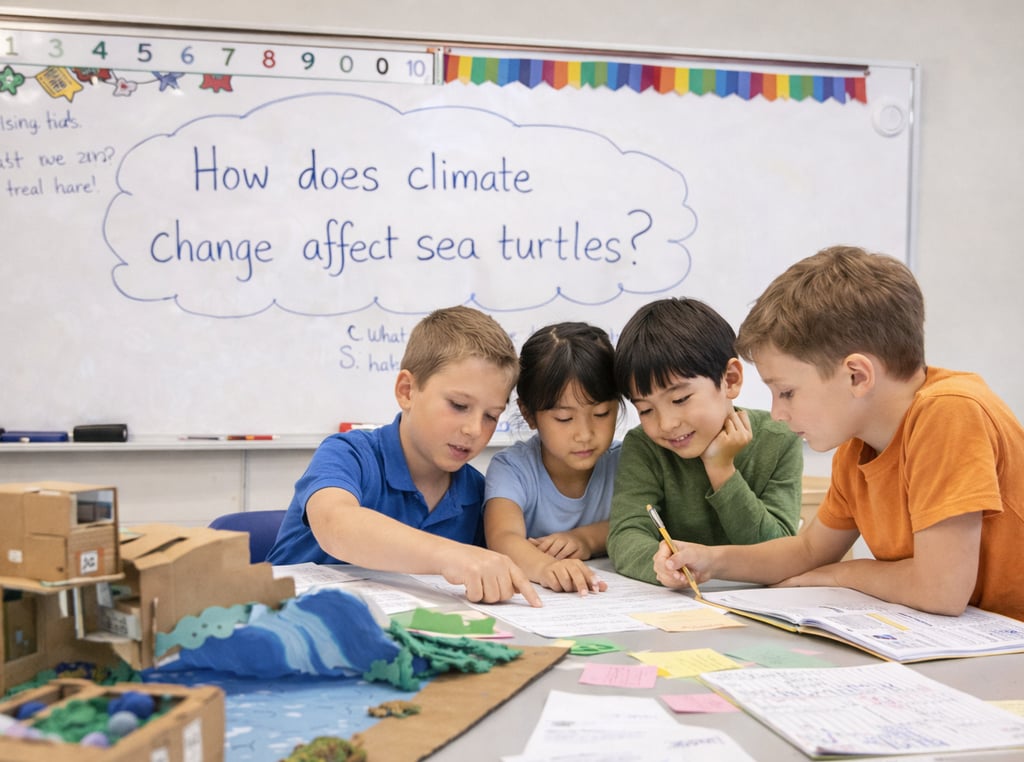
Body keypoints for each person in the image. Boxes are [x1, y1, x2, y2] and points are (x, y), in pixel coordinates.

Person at [662, 246, 1024, 621]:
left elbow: (941, 590)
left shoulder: (949, 412)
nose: (777, 413)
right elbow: (807, 551)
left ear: (857, 376)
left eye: (786, 392)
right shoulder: (858, 448)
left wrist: (841, 574)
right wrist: (710, 560)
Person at [267, 305, 542, 607]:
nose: (475, 429)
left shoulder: (476, 493)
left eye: (491, 415)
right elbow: (337, 524)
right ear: (407, 390)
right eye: (459, 405)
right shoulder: (350, 455)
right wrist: (452, 555)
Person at [607, 297, 803, 586]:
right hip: (678, 606)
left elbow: (778, 548)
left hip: (758, 603)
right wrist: (662, 564)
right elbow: (625, 533)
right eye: (646, 410)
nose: (667, 424)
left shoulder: (779, 439)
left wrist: (721, 470)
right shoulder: (644, 446)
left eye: (680, 399)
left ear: (731, 379)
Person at [484, 322, 621, 595]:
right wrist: (546, 567)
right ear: (529, 414)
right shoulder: (512, 468)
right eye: (564, 418)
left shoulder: (627, 462)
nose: (584, 434)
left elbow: (644, 522)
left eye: (602, 414)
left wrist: (586, 539)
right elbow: (502, 537)